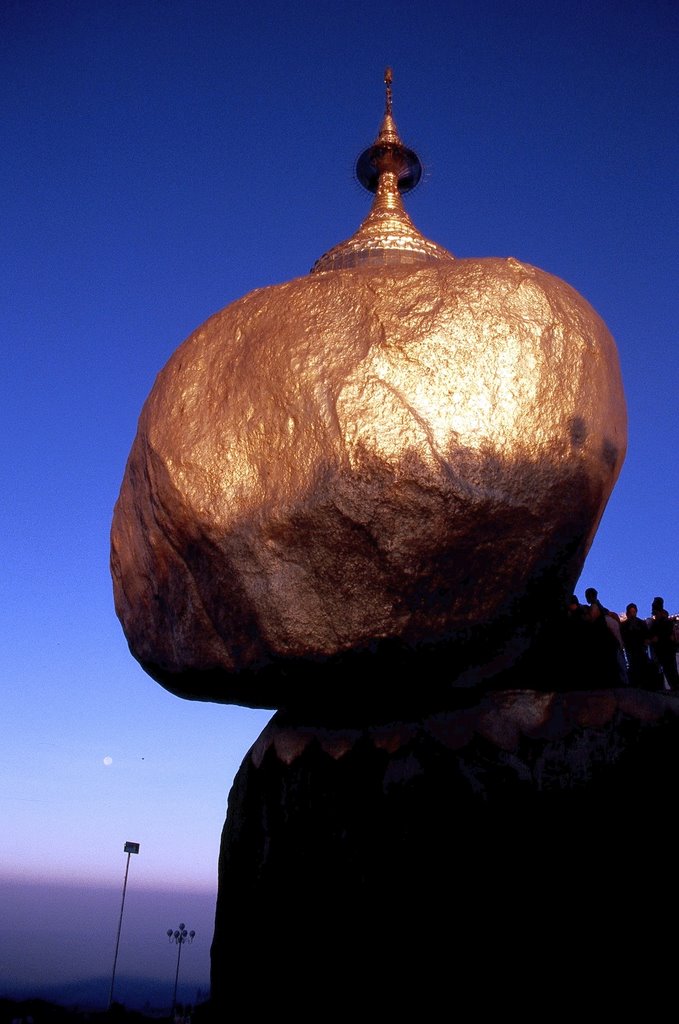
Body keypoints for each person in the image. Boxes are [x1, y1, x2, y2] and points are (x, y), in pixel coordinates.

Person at [648, 597, 679, 692]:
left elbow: (666, 635)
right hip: (664, 650)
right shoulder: (661, 622)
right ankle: (675, 688)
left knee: (670, 670)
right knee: (669, 670)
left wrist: (657, 638)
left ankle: (675, 688)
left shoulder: (663, 622)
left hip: (665, 650)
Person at [620, 603, 652, 689]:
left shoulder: (641, 623)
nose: (633, 614)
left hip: (639, 648)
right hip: (631, 648)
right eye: (631, 612)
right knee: (633, 665)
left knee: (640, 665)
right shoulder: (625, 625)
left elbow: (647, 635)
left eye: (634, 612)